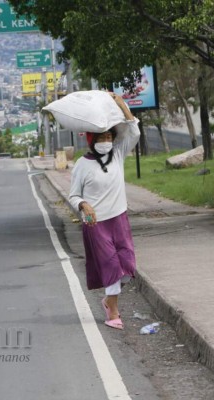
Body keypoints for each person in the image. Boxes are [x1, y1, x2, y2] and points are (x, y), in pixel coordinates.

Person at [69, 92, 140, 330]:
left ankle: (108, 300)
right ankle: (114, 312)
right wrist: (83, 204)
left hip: (119, 217)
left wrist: (122, 105)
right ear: (92, 139)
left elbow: (134, 132)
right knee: (110, 264)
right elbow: (73, 195)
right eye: (102, 136)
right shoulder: (82, 164)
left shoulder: (118, 154)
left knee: (127, 265)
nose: (107, 140)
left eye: (110, 135)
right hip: (96, 223)